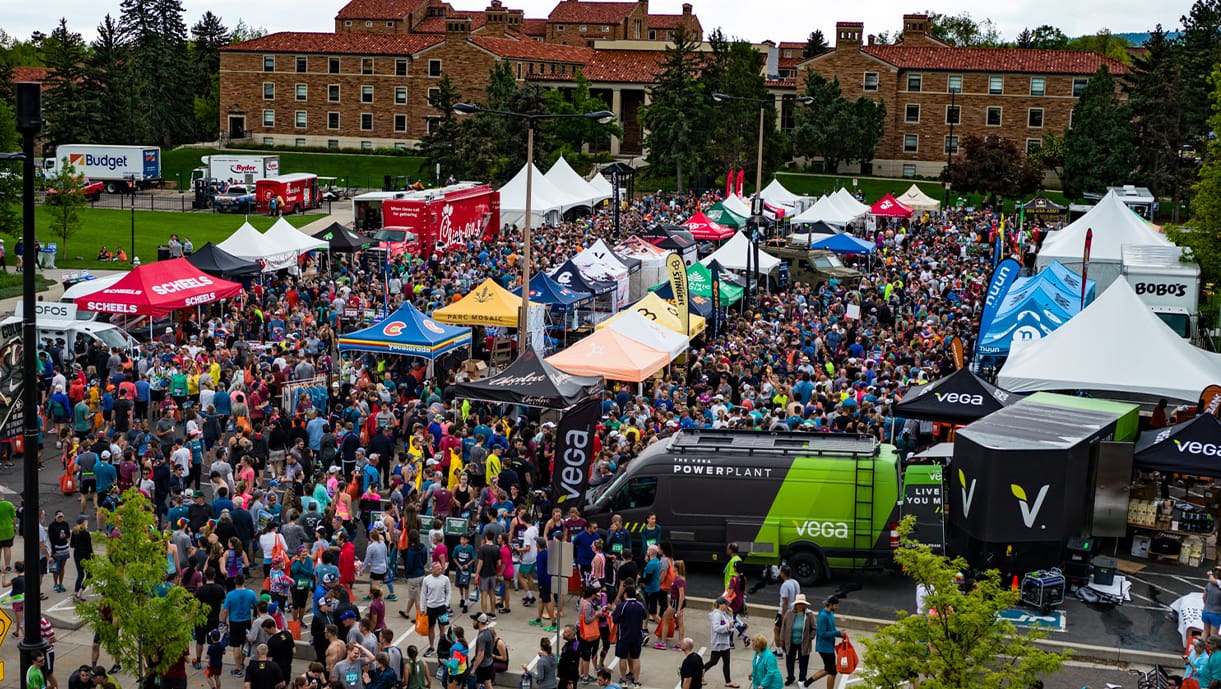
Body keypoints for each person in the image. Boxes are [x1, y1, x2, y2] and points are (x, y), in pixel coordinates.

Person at [611, 584, 646, 688]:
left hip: (624, 636)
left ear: (625, 594)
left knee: (623, 658)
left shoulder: (622, 606)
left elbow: (615, 620)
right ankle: (636, 681)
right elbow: (644, 616)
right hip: (637, 636)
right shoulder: (640, 605)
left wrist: (614, 610)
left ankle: (623, 680)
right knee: (636, 658)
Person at [807, 596, 845, 689]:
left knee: (828, 669)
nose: (837, 607)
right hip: (824, 648)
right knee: (833, 671)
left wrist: (840, 634)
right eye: (835, 605)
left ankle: (806, 684)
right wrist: (837, 633)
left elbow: (831, 629)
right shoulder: (823, 616)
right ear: (830, 605)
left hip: (829, 647)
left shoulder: (831, 613)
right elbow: (822, 633)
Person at [780, 594, 816, 686]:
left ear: (805, 605)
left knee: (804, 662)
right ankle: (790, 677)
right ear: (795, 604)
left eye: (802, 603)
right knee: (789, 662)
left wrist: (810, 637)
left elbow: (814, 628)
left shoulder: (809, 614)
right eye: (798, 603)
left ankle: (802, 679)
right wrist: (782, 640)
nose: (800, 605)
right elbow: (783, 627)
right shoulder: (789, 613)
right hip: (790, 642)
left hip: (804, 643)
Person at [705, 596, 737, 688]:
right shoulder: (717, 615)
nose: (727, 606)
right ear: (720, 605)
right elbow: (716, 628)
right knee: (713, 661)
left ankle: (728, 681)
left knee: (726, 663)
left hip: (724, 642)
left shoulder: (724, 614)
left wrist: (731, 615)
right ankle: (699, 673)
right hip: (718, 643)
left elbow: (731, 626)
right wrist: (727, 627)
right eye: (726, 604)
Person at [421, 561, 452, 656]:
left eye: (441, 568)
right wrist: (422, 608)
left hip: (441, 607)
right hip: (431, 607)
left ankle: (442, 646)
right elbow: (423, 594)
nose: (440, 570)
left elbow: (449, 591)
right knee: (431, 627)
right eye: (438, 568)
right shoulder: (426, 580)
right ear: (432, 569)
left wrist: (446, 603)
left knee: (442, 627)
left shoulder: (445, 579)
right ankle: (431, 646)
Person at [1205, 568, 1221, 641]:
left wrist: (1210, 573)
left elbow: (1204, 597)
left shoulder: (1209, 585)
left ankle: (1200, 646)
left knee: (1206, 632)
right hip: (1216, 613)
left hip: (1207, 610)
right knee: (1213, 634)